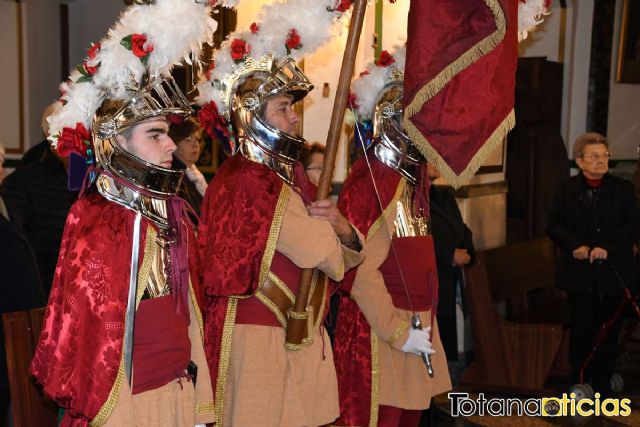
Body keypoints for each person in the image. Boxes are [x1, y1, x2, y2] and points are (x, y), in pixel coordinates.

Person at [30, 1, 218, 425]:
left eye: (168, 134)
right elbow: (94, 347)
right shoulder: (100, 220)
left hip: (177, 397)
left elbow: (189, 317)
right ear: (116, 145)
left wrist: (200, 406)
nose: (171, 146)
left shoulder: (171, 212)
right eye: (156, 135)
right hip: (127, 409)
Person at [196, 7, 365, 426]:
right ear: (252, 114)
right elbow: (319, 252)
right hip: (260, 342)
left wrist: (341, 227)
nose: (294, 118)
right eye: (283, 107)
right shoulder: (249, 181)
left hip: (293, 335)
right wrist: (329, 238)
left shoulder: (283, 178)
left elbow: (344, 256)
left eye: (292, 107)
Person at [333, 47, 451, 427]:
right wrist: (397, 332)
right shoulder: (372, 181)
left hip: (418, 323)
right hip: (381, 333)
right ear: (393, 120)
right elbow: (359, 269)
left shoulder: (413, 180)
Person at [547, 132, 640, 396]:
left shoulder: (621, 190)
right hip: (580, 276)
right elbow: (553, 224)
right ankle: (581, 379)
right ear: (580, 161)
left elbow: (633, 224)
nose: (601, 161)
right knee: (583, 329)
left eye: (605, 156)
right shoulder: (567, 189)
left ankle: (602, 382)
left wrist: (607, 248)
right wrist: (574, 245)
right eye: (594, 156)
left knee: (609, 332)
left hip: (613, 273)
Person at [428, 164, 475, 383]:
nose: (437, 163)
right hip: (432, 278)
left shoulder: (442, 195)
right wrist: (449, 254)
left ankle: (446, 391)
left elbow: (462, 229)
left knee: (449, 341)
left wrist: (467, 252)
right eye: (430, 157)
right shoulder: (409, 196)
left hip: (451, 278)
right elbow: (417, 236)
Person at [169, 117, 208, 218]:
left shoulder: (194, 173)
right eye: (188, 140)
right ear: (174, 143)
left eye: (197, 139)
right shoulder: (173, 178)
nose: (196, 145)